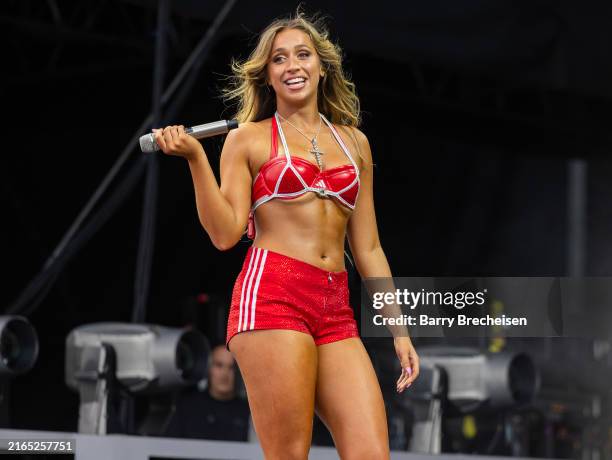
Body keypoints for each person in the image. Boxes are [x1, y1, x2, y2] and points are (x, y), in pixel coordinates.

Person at [153, 10, 420, 459]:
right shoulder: (248, 140)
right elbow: (224, 234)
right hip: (273, 295)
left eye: (302, 55)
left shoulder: (355, 143)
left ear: (321, 66)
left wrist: (399, 330)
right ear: (268, 76)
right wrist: (197, 159)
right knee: (289, 454)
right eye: (279, 59)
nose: (292, 66)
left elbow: (369, 247)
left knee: (372, 453)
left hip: (335, 307)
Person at [165, 344, 252, 441]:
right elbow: (169, 447)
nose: (224, 373)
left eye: (231, 367)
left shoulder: (249, 412)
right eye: (219, 365)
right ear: (208, 369)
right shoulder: (188, 407)